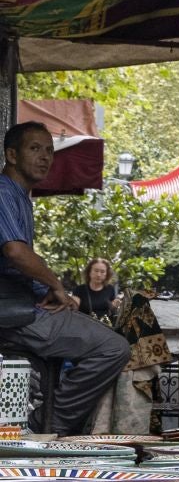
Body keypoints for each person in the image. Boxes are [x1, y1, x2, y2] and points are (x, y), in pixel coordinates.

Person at [0, 122, 130, 435]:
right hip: (14, 313)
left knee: (91, 330)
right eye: (35, 149)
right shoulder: (4, 192)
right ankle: (46, 425)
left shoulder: (19, 196)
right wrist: (56, 285)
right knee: (115, 348)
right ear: (11, 155)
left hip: (25, 303)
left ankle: (49, 422)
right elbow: (15, 252)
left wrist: (46, 288)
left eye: (48, 150)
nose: (45, 157)